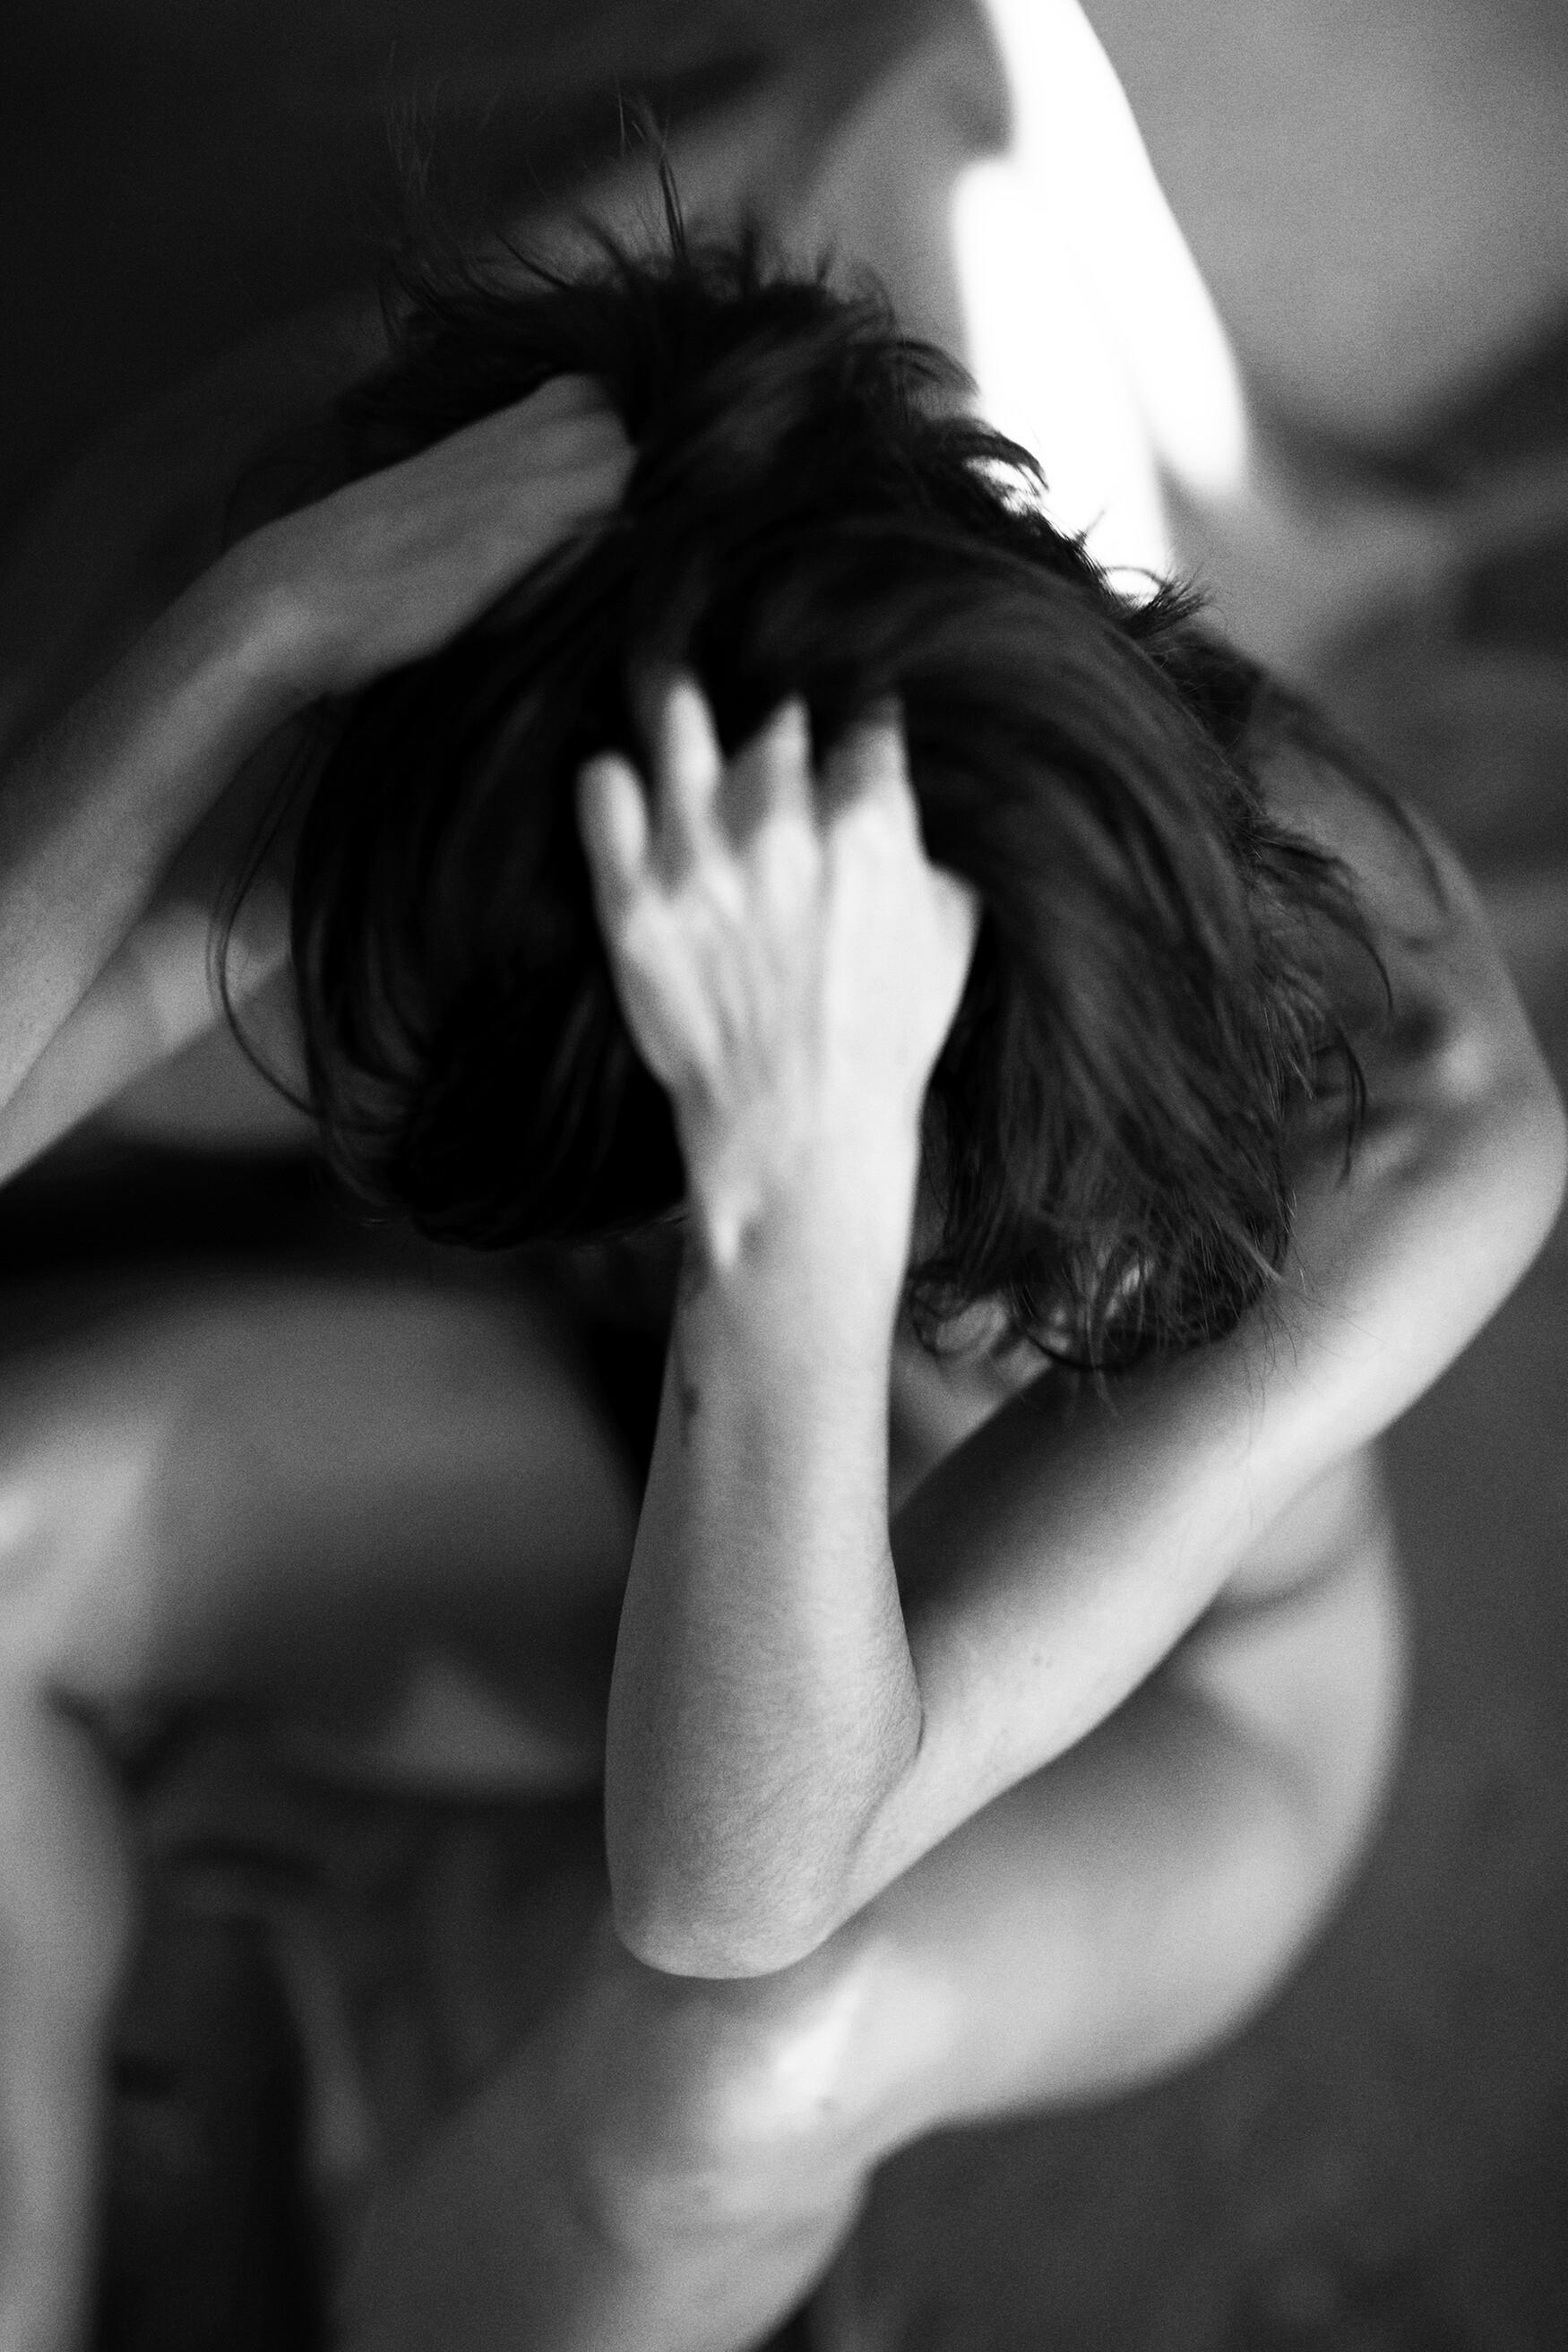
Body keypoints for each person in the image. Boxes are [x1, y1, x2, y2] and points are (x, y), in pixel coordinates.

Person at [1, 99, 1563, 2352]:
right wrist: (251, 632)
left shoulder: (1412, 1119)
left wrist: (797, 1192)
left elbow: (738, 1888)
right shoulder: (614, 673)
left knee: (733, 2069)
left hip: (1147, 1708)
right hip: (628, 1440)